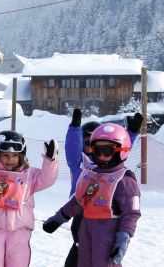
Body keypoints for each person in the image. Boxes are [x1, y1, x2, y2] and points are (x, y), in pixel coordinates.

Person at [42, 123, 141, 267]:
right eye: (97, 150)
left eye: (107, 150)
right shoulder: (89, 175)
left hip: (107, 238)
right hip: (85, 234)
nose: (101, 155)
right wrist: (58, 219)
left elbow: (131, 214)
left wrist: (122, 240)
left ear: (121, 150)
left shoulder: (124, 180)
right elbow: (78, 201)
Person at [0, 130, 59, 267]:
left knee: (18, 262)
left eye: (14, 156)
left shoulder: (29, 175)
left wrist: (50, 161)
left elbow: (47, 179)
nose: (10, 159)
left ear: (21, 156)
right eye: (5, 155)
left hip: (19, 231)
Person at [61, 108, 100, 266]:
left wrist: (131, 132)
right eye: (87, 142)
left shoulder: (108, 161)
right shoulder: (79, 162)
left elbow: (121, 148)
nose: (91, 146)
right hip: (81, 209)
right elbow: (72, 148)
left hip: (103, 210)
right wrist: (75, 128)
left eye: (95, 143)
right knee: (80, 245)